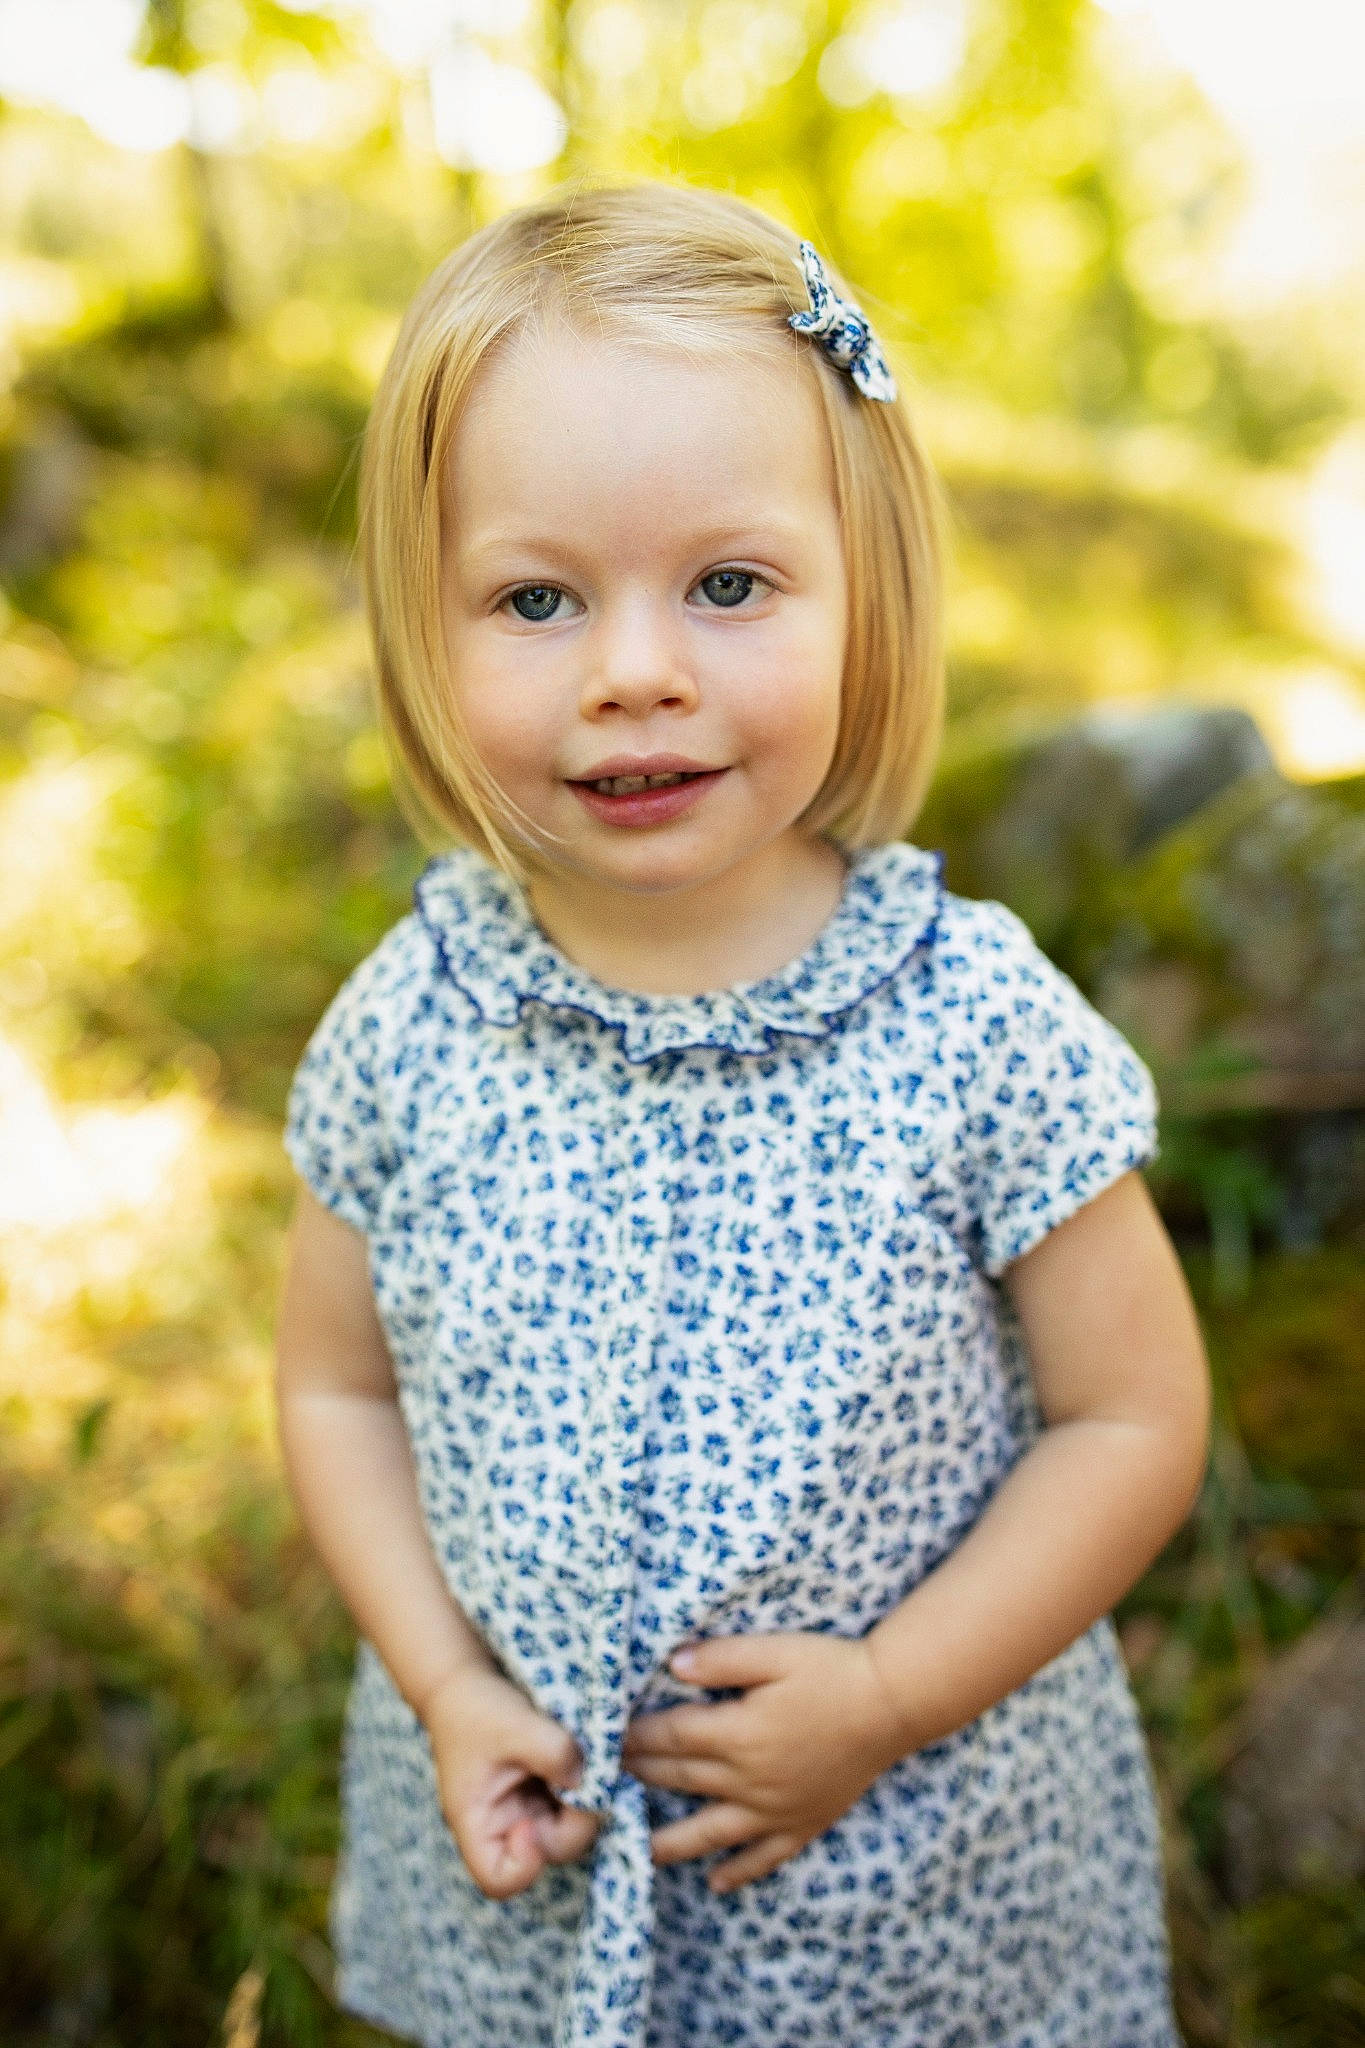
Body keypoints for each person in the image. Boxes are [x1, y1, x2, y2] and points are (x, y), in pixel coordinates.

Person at [274, 180, 1211, 2048]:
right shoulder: (412, 1021)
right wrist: (448, 1682)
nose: (636, 667)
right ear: (424, 631)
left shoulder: (970, 1026)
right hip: (527, 1870)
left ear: (866, 592)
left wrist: (883, 1692)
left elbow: (1131, 1416)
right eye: (536, 598)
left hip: (906, 1894)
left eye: (727, 584)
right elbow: (335, 1386)